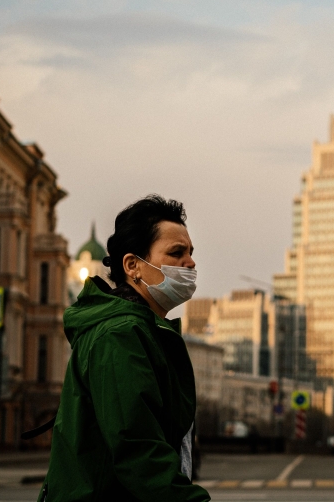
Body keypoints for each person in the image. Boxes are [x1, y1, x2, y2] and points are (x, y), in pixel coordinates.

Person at [36, 195, 209, 501]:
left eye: (191, 253)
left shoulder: (144, 331)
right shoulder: (119, 334)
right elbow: (138, 448)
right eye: (177, 252)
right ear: (133, 266)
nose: (191, 262)